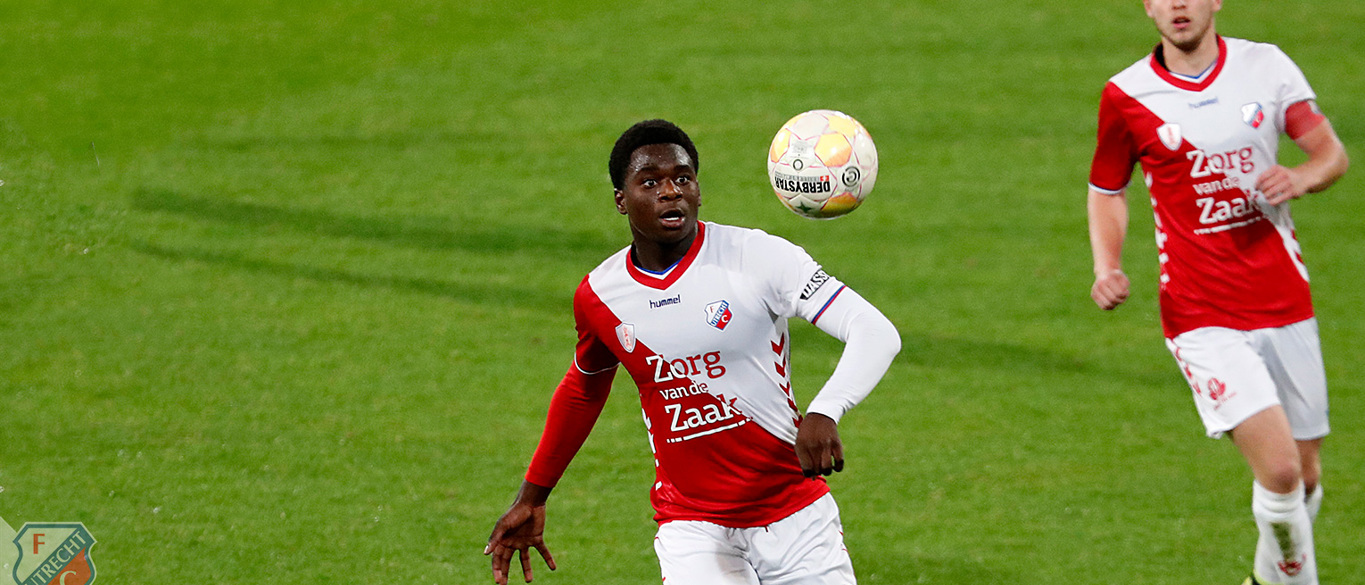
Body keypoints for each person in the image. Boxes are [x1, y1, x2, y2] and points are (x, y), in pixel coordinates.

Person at [483, 119, 901, 585]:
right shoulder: (600, 295)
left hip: (797, 516)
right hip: (692, 528)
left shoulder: (758, 256)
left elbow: (875, 331)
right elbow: (583, 389)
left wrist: (825, 411)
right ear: (621, 200)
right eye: (650, 182)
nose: (670, 192)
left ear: (698, 191)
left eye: (683, 178)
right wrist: (532, 496)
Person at [1086, 1, 1349, 583]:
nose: (1178, 5)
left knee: (1305, 479)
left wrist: (1301, 177)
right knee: (1279, 471)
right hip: (1201, 315)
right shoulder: (1126, 95)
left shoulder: (1266, 67)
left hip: (1285, 300)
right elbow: (1107, 188)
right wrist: (1107, 266)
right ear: (1148, 7)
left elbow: (1330, 154)